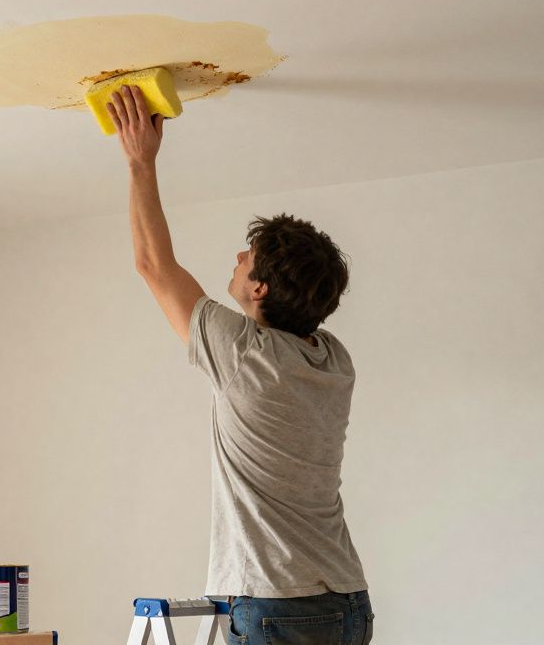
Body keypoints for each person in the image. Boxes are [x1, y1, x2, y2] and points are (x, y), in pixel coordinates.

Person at [106, 86, 375, 645]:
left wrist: (140, 160)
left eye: (245, 257)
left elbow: (154, 266)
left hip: (278, 601)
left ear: (259, 288)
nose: (235, 258)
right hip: (347, 598)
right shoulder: (333, 360)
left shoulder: (245, 353)